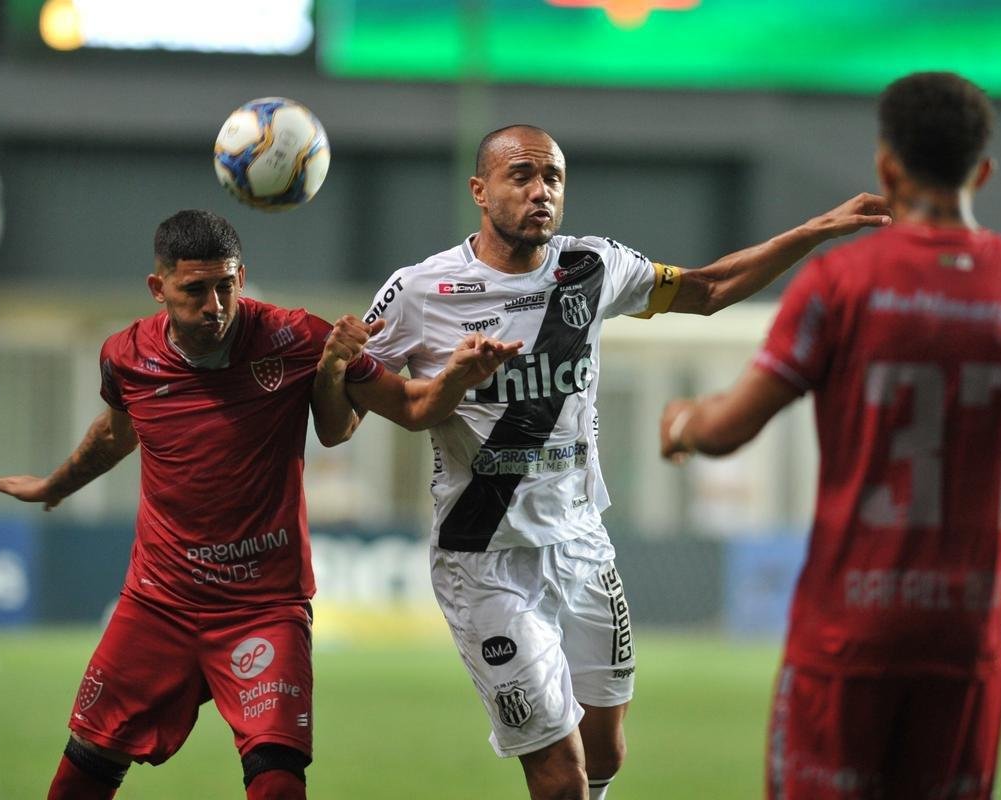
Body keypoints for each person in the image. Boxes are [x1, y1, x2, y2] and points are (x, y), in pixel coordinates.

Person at [350, 123, 891, 800]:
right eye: (521, 176)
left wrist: (811, 233)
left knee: (605, 750)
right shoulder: (422, 290)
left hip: (582, 546)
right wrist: (366, 378)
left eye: (552, 177)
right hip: (485, 558)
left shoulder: (592, 269)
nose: (540, 191)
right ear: (479, 190)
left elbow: (709, 288)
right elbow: (355, 398)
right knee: (560, 771)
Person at [0, 208, 521, 800]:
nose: (214, 305)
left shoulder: (298, 339)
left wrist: (457, 374)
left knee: (277, 783)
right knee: (78, 776)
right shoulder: (125, 357)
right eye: (195, 290)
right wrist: (55, 486)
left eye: (226, 285)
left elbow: (411, 408)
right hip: (157, 604)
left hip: (263, 607)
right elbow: (115, 435)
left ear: (242, 278)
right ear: (158, 288)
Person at [659, 72, 1001, 799]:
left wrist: (685, 422)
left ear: (886, 166)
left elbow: (731, 429)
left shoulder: (839, 284)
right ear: (981, 172)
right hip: (965, 642)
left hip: (845, 636)